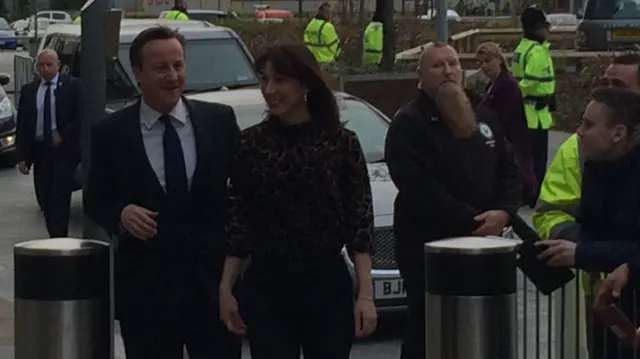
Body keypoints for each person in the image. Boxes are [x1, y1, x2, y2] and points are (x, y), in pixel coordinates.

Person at [84, 26, 240, 359]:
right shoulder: (112, 132)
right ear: (137, 73)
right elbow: (96, 198)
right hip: (146, 296)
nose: (173, 76)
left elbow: (242, 195)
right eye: (161, 68)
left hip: (212, 293)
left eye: (178, 65)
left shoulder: (219, 121)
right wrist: (121, 214)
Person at [218, 43, 377, 359]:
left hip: (325, 281)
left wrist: (366, 294)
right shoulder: (250, 144)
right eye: (264, 80)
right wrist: (226, 287)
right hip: (267, 284)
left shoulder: (340, 143)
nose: (269, 90)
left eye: (280, 81)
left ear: (305, 84)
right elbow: (239, 219)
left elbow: (359, 221)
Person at [385, 42, 522, 359]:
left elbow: (510, 171)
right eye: (437, 66)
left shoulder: (485, 116)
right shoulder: (408, 123)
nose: (448, 70)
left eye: (453, 63)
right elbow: (418, 187)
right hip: (429, 249)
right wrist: (474, 221)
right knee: (428, 331)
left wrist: (504, 211)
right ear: (420, 75)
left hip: (487, 247)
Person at [533, 53, 640, 346]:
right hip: (602, 299)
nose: (580, 133)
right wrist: (571, 244)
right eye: (605, 82)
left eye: (618, 84)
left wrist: (585, 253)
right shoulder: (585, 154)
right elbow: (551, 211)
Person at [15, 49, 81, 238]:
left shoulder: (72, 86)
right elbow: (24, 124)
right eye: (40, 65)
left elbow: (79, 117)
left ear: (58, 65)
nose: (44, 69)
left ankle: (60, 236)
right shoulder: (30, 90)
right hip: (40, 152)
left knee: (59, 197)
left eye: (48, 65)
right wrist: (22, 157)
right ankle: (54, 234)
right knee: (45, 198)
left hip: (63, 151)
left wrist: (63, 134)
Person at [475, 41, 536, 205]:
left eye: (487, 61)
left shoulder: (508, 85)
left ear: (499, 60)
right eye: (481, 63)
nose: (484, 66)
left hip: (512, 137)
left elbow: (500, 116)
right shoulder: (493, 84)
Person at [511, 6, 556, 200]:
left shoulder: (522, 47)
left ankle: (526, 192)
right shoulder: (537, 51)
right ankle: (534, 195)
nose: (548, 31)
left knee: (523, 157)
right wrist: (544, 96)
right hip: (535, 114)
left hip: (526, 112)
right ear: (537, 28)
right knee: (537, 160)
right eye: (545, 27)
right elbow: (529, 83)